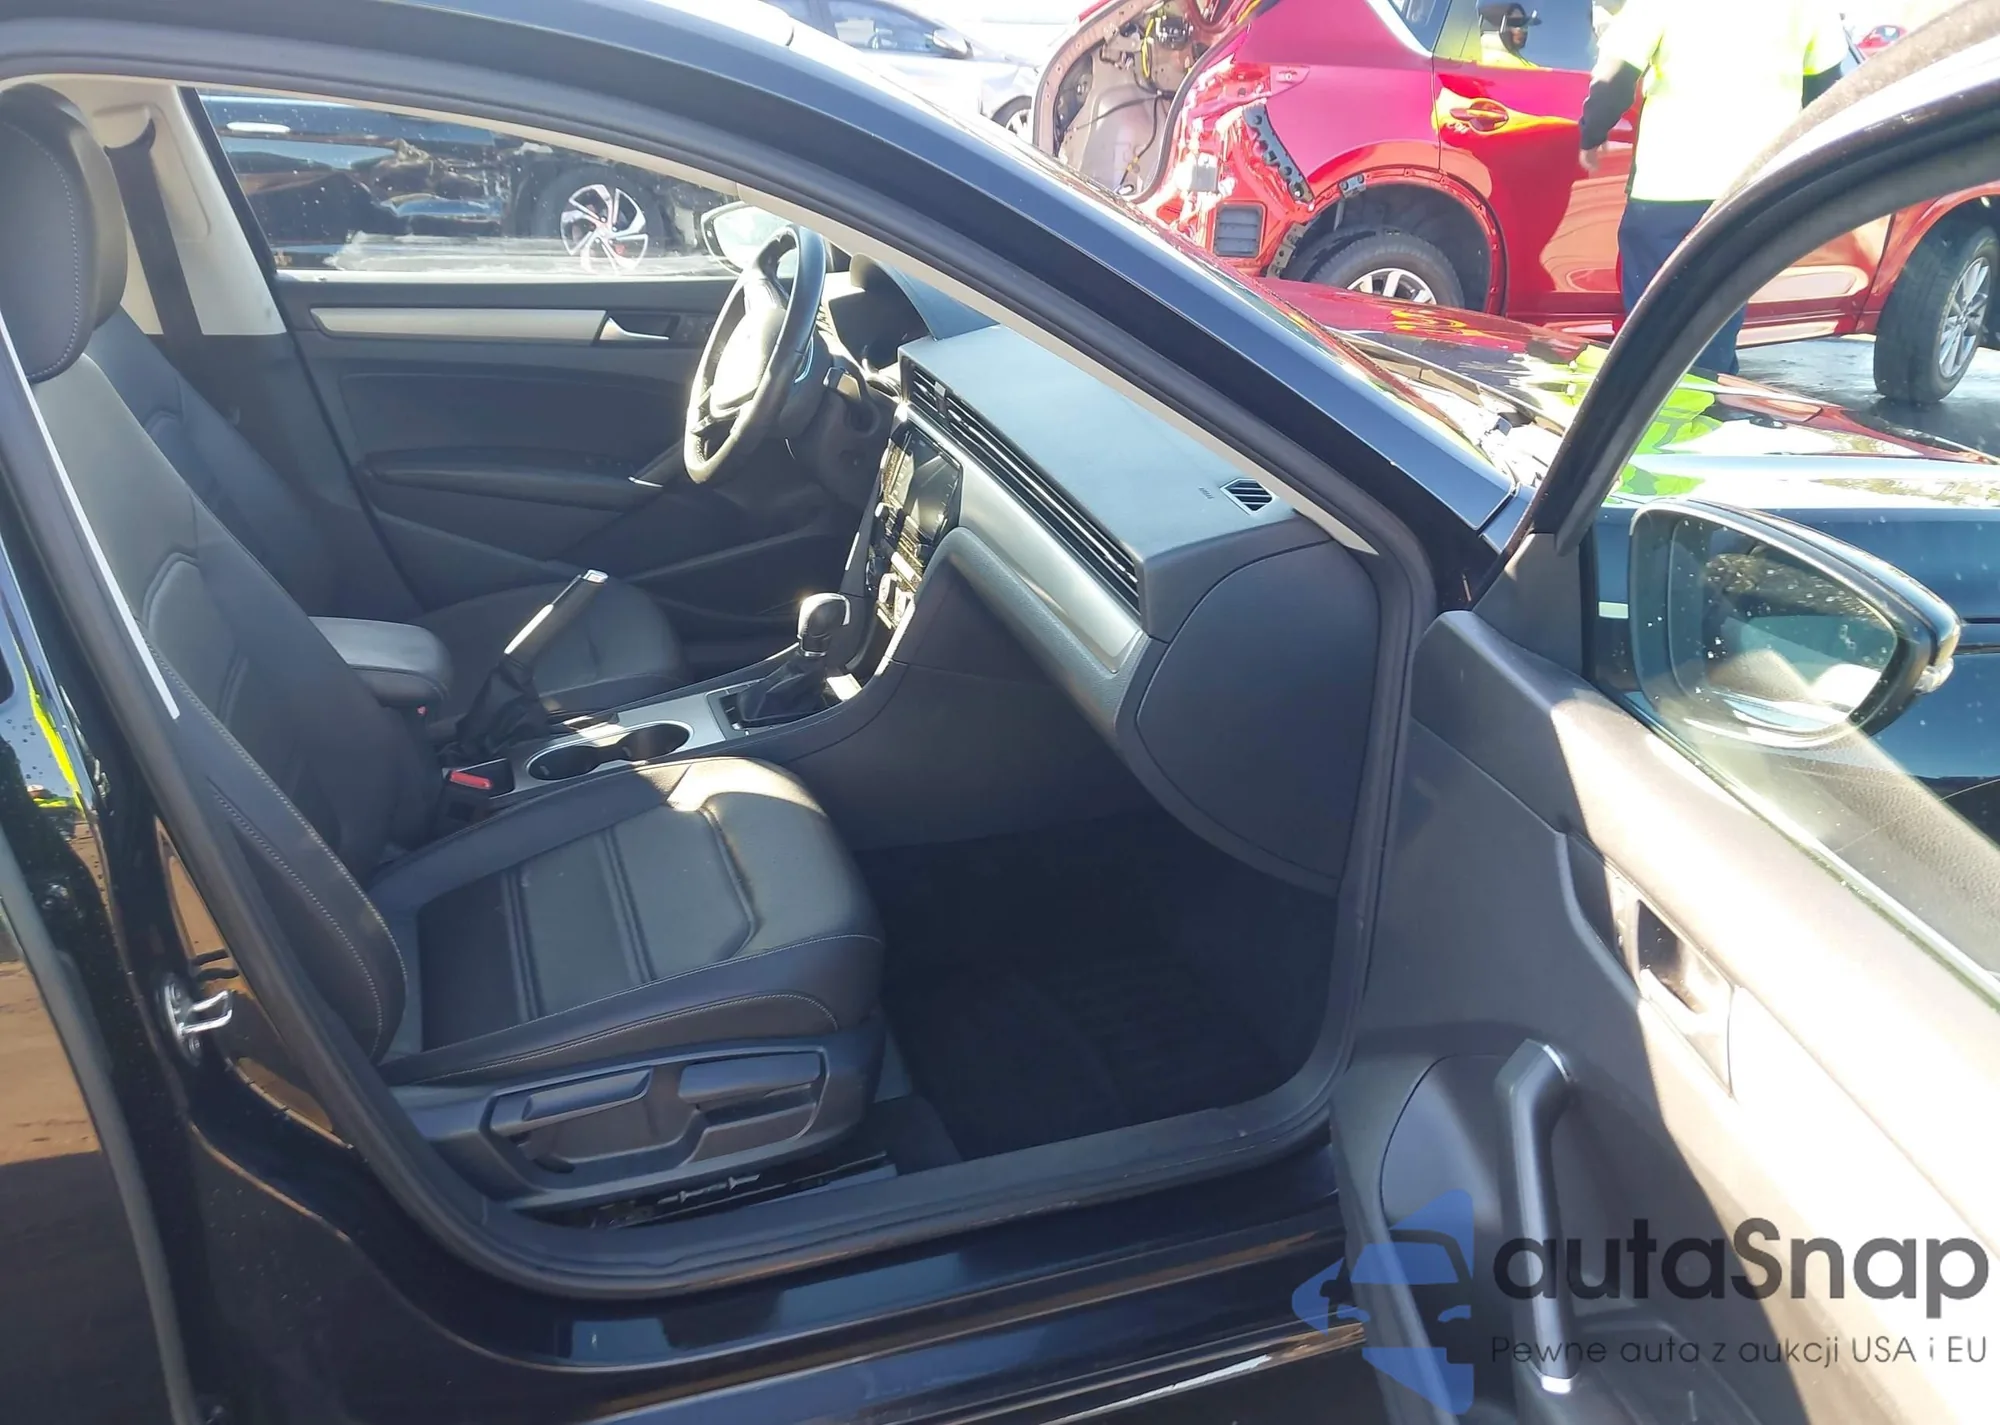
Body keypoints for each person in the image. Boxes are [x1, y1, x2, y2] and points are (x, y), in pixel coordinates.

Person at [1579, 0, 1849, 374]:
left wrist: (1592, 133)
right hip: (1753, 187)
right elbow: (1826, 89)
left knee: (1653, 308)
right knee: (1718, 305)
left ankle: (1652, 396)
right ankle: (1706, 394)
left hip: (1669, 184)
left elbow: (1618, 71)